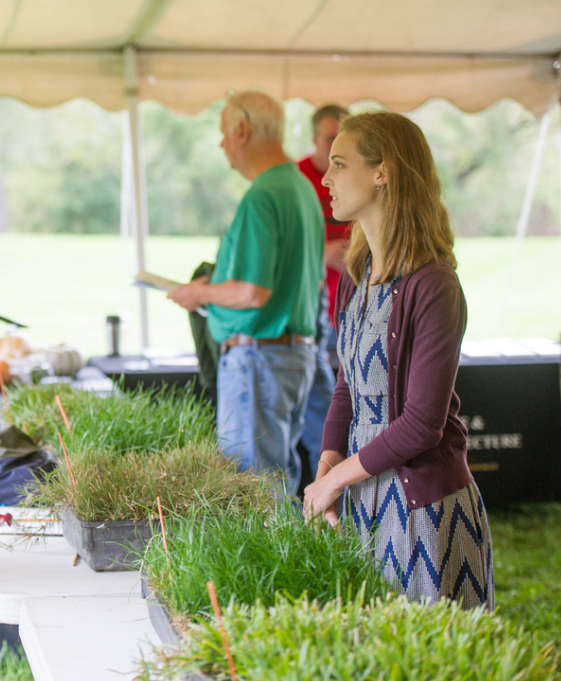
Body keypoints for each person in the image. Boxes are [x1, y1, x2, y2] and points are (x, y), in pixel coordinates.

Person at [302, 111, 493, 610]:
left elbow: (421, 426)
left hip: (424, 512)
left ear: (382, 172)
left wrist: (336, 480)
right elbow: (348, 386)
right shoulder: (355, 273)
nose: (326, 177)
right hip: (364, 499)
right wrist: (327, 467)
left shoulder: (434, 285)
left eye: (340, 164)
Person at [168, 90, 324, 495]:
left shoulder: (263, 195)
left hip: (258, 357)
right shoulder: (301, 187)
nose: (222, 145)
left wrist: (198, 295)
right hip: (292, 354)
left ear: (241, 130)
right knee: (276, 485)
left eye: (223, 133)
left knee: (252, 493)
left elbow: (252, 292)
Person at [296, 104, 351, 482]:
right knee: (324, 408)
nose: (336, 147)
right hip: (313, 310)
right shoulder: (296, 180)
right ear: (315, 138)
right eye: (331, 138)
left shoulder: (360, 175)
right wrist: (322, 254)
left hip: (351, 304)